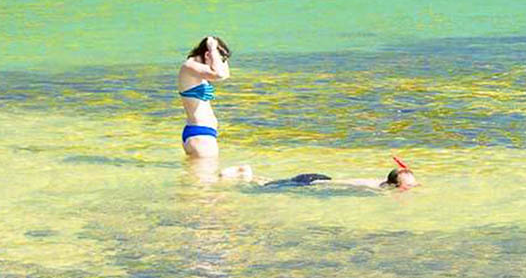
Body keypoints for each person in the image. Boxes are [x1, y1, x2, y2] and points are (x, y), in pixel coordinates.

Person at [224, 157, 420, 192]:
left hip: (320, 178)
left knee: (272, 183)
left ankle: (248, 173)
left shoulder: (385, 182)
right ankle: (247, 174)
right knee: (265, 187)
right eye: (407, 186)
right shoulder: (379, 189)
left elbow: (402, 177)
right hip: (312, 183)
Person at [178, 36, 230, 159]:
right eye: (219, 60)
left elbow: (225, 74)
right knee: (208, 177)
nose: (220, 63)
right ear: (207, 55)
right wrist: (213, 49)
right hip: (200, 135)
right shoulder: (189, 66)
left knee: (200, 177)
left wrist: (221, 55)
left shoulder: (199, 72)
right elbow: (219, 74)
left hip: (202, 134)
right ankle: (246, 174)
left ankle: (248, 175)